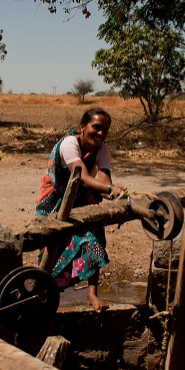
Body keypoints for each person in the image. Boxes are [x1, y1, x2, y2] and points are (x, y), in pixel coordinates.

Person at [36, 107, 126, 312]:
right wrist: (110, 190)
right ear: (82, 127)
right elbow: (83, 177)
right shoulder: (69, 144)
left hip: (80, 197)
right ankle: (43, 291)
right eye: (96, 127)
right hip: (56, 199)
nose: (101, 134)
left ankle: (92, 295)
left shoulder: (102, 150)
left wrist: (116, 193)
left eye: (105, 130)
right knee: (55, 245)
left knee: (95, 238)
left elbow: (104, 180)